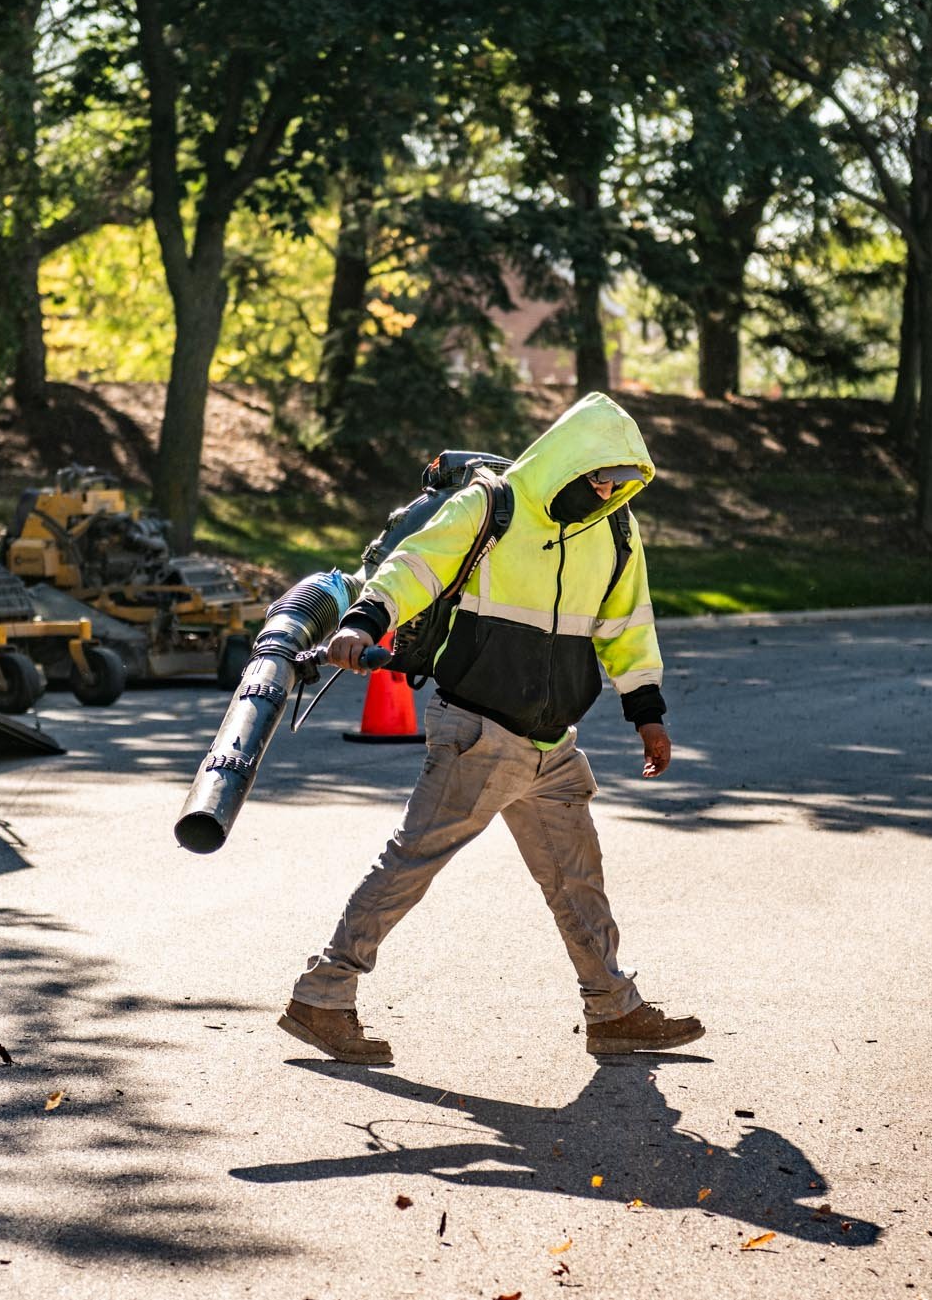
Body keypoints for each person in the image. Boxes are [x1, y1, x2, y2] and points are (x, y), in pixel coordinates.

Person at [278, 392, 703, 1063]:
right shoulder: (491, 506)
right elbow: (414, 565)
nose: (605, 491)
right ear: (569, 458)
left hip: (550, 742)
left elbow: (628, 623)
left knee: (576, 874)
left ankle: (612, 1008)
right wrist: (363, 621)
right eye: (598, 475)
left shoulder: (616, 532)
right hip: (478, 727)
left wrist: (646, 713)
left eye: (619, 482)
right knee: (412, 861)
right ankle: (323, 994)